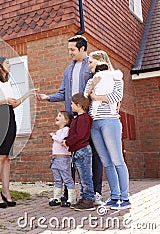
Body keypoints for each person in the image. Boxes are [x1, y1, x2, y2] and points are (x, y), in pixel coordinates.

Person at [36, 35, 104, 205]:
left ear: (82, 49)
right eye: (68, 49)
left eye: (72, 49)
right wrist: (47, 97)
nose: (70, 53)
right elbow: (63, 93)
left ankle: (95, 192)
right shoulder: (68, 70)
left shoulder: (91, 66)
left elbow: (102, 85)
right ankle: (69, 194)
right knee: (70, 155)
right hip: (72, 117)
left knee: (93, 153)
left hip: (89, 117)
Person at [0, 57, 36, 208]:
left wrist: (29, 94)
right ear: (0, 67)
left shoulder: (8, 83)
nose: (10, 65)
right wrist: (4, 100)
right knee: (0, 156)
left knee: (7, 157)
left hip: (10, 116)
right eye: (7, 63)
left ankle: (6, 191)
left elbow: (14, 103)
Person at [84, 50, 130, 210]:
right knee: (106, 162)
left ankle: (125, 198)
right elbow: (84, 99)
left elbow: (117, 96)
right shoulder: (91, 80)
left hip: (110, 122)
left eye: (90, 62)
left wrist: (97, 98)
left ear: (100, 60)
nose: (88, 65)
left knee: (117, 160)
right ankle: (114, 195)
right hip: (94, 124)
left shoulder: (116, 77)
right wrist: (93, 87)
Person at [62, 93, 94, 211]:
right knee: (81, 177)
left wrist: (68, 142)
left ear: (79, 105)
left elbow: (79, 135)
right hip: (78, 151)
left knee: (85, 177)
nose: (70, 105)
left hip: (82, 151)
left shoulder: (84, 118)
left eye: (72, 103)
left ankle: (88, 199)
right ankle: (85, 197)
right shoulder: (78, 118)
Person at [48, 111, 76, 207]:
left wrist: (53, 136)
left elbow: (63, 141)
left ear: (66, 120)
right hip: (55, 158)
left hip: (63, 158)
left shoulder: (66, 130)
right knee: (57, 179)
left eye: (60, 116)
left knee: (67, 178)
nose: (57, 117)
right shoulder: (58, 131)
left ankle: (72, 198)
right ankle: (57, 197)